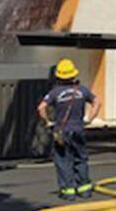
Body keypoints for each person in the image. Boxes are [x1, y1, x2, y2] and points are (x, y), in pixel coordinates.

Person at [37, 58, 100, 200]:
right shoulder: (82, 90)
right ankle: (84, 190)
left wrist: (48, 121)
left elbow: (41, 107)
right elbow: (97, 101)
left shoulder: (55, 92)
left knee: (64, 160)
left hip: (61, 131)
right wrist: (89, 118)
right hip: (79, 129)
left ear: (58, 76)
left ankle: (68, 191)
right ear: (73, 75)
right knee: (81, 159)